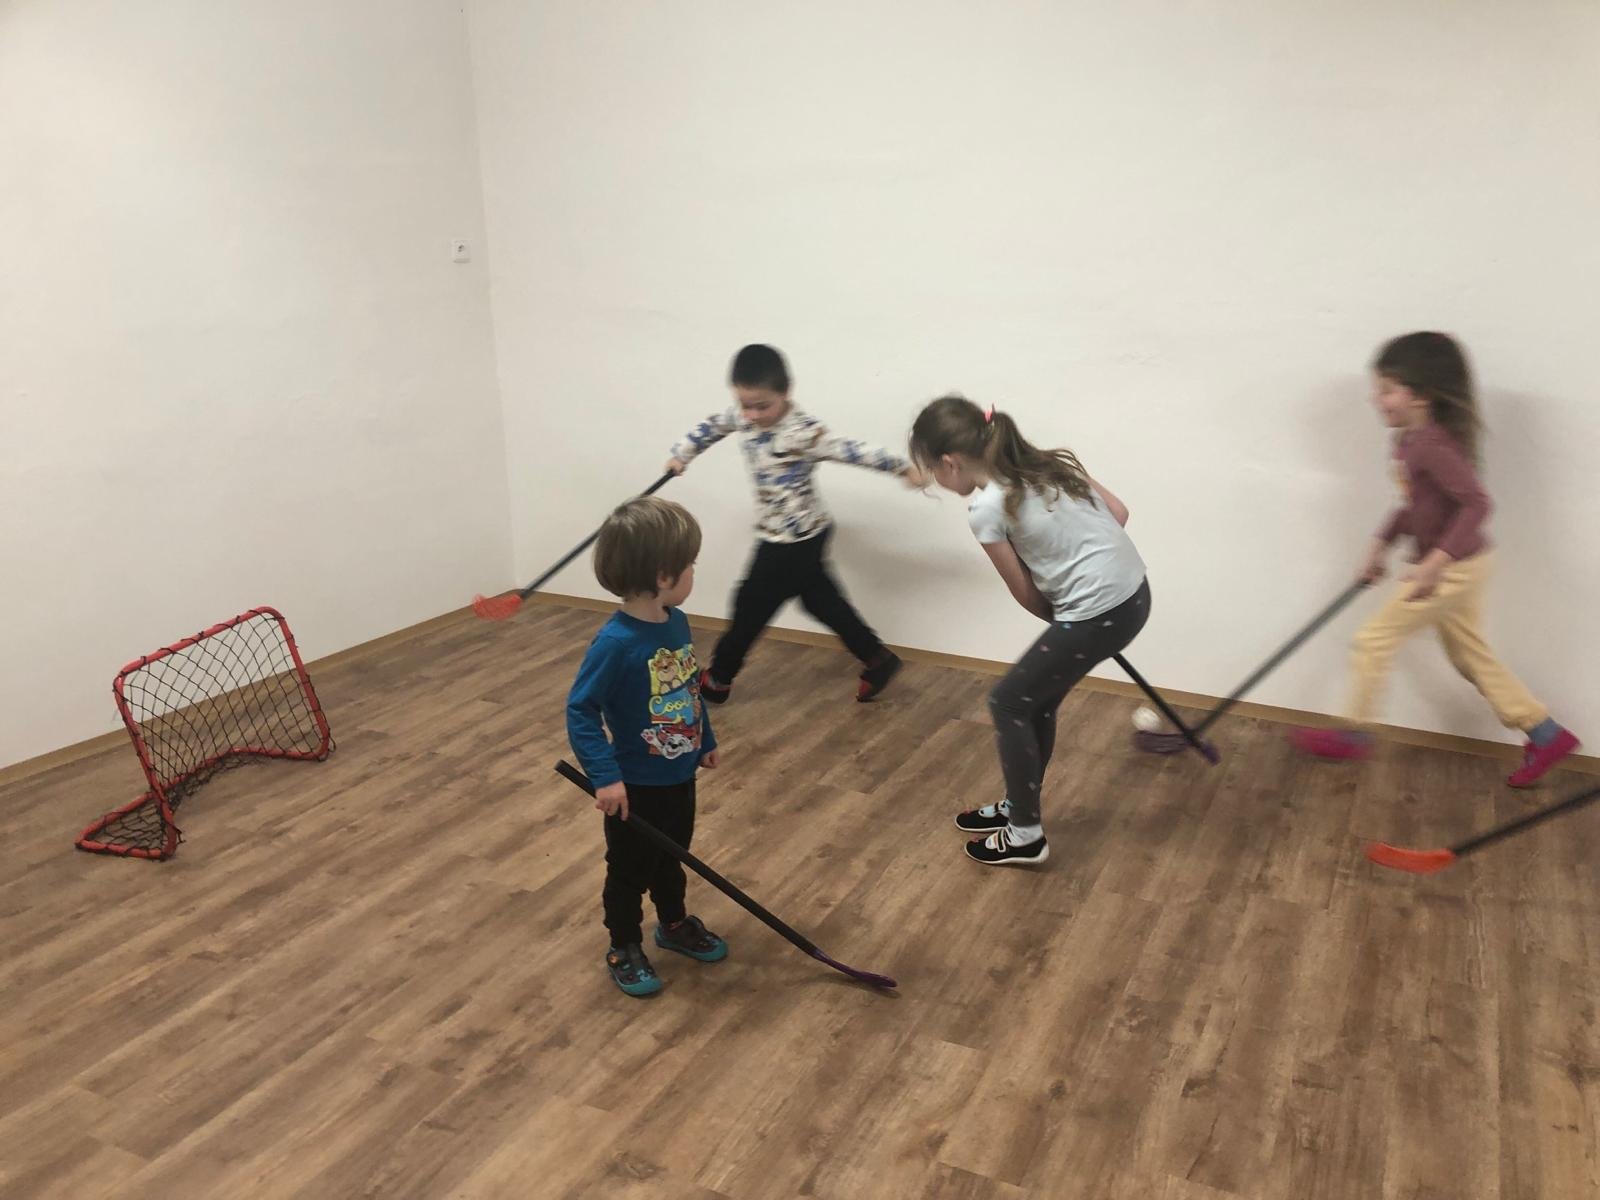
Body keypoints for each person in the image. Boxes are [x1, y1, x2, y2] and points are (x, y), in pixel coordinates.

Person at [1289, 331, 1580, 786]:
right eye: (1377, 388)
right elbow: (1415, 507)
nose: (1376, 399)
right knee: (1469, 657)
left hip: (1454, 569)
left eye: (1387, 389)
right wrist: (1380, 545)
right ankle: (1545, 734)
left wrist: (1434, 564)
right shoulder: (1410, 443)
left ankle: (1354, 733)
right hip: (1464, 564)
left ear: (1421, 395)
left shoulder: (1432, 447)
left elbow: (1477, 504)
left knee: (1372, 639)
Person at [908, 394, 1150, 865]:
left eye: (934, 470)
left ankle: (1025, 834)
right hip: (1135, 594)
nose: (936, 479)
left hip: (1098, 612)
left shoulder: (987, 508)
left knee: (1009, 701)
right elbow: (1119, 513)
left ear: (950, 462)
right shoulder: (1047, 465)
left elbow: (1022, 590)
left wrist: (1074, 617)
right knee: (1036, 700)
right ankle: (1020, 805)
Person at [566, 496, 727, 997]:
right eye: (690, 564)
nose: (694, 572)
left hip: (679, 774)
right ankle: (624, 944)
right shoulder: (615, 644)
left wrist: (705, 739)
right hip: (634, 786)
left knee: (672, 856)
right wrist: (606, 777)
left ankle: (673, 924)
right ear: (663, 574)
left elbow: (688, 690)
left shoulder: (676, 622)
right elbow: (581, 710)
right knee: (630, 871)